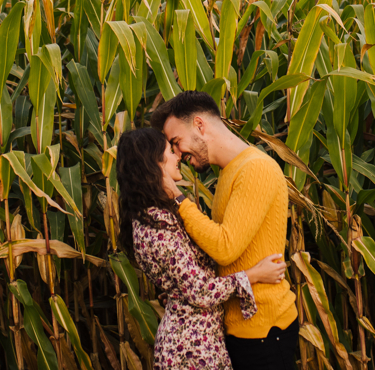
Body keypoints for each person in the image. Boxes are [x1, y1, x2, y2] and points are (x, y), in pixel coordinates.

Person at [151, 91, 299, 370]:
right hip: (243, 327)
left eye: (176, 142)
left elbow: (225, 247)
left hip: (264, 329)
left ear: (199, 125)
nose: (178, 155)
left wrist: (178, 199)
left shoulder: (255, 170)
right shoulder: (230, 171)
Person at [117, 127, 287, 370]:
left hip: (199, 337)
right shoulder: (156, 226)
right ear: (154, 165)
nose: (178, 157)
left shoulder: (157, 216)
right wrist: (255, 274)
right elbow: (200, 290)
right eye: (170, 152)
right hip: (191, 347)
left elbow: (186, 278)